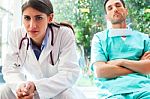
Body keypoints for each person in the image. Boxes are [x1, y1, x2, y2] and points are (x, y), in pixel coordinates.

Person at [0, 0, 86, 99]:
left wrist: (36, 86)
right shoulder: (16, 35)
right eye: (27, 18)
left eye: (39, 18)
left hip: (58, 89)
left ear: (50, 18)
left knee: (68, 95)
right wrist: (20, 86)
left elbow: (69, 73)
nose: (32, 25)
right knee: (4, 91)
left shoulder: (64, 34)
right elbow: (10, 69)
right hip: (30, 90)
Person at [90, 0, 150, 98]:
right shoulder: (99, 38)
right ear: (107, 17)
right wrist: (139, 65)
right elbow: (100, 71)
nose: (115, 9)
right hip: (112, 93)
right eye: (110, 8)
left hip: (143, 89)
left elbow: (148, 67)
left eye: (118, 5)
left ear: (126, 11)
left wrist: (120, 61)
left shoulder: (143, 38)